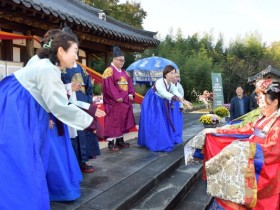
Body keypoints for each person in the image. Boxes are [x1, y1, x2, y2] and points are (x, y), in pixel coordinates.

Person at [0, 31, 105, 210]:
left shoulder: (49, 66)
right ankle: (20, 202)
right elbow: (59, 105)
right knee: (22, 154)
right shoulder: (47, 68)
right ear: (61, 51)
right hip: (18, 108)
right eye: (74, 51)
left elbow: (56, 100)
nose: (76, 57)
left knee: (31, 153)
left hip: (28, 108)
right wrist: (91, 123)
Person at [186, 79, 280, 209]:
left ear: (275, 102)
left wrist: (245, 149)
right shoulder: (262, 118)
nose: (259, 102)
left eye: (262, 99)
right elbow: (244, 129)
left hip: (259, 170)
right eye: (258, 98)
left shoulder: (277, 124)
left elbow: (273, 151)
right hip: (247, 162)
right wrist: (216, 130)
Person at [138, 65, 192, 152]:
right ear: (165, 74)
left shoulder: (171, 84)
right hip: (152, 101)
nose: (174, 75)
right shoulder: (160, 82)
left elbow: (176, 93)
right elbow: (164, 93)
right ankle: (153, 142)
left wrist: (184, 101)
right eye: (171, 73)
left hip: (161, 102)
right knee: (155, 121)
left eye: (174, 73)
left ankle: (161, 140)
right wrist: (177, 99)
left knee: (162, 121)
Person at [62, 63, 101, 172]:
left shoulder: (82, 69)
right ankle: (74, 163)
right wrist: (70, 88)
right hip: (70, 105)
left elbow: (89, 87)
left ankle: (83, 161)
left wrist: (89, 103)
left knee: (83, 134)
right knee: (74, 135)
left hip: (83, 104)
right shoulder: (62, 69)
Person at [102, 46, 135, 151]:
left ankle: (120, 140)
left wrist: (131, 93)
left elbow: (129, 84)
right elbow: (108, 86)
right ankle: (111, 143)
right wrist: (117, 97)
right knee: (113, 123)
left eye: (123, 60)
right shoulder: (109, 71)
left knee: (122, 121)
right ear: (114, 59)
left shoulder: (124, 72)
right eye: (120, 60)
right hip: (114, 103)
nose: (122, 62)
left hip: (124, 102)